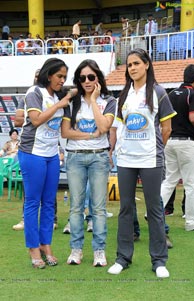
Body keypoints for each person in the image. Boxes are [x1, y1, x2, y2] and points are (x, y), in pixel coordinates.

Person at [107, 48, 176, 277]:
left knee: (154, 208)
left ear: (146, 64)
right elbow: (118, 127)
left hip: (150, 159)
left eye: (136, 63)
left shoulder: (159, 92)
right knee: (126, 208)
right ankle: (122, 258)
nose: (132, 68)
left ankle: (159, 261)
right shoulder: (123, 95)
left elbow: (166, 129)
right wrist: (115, 149)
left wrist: (154, 149)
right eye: (129, 65)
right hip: (126, 159)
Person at [17, 58, 77, 269]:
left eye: (64, 77)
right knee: (33, 202)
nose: (62, 80)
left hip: (52, 154)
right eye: (59, 76)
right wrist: (61, 104)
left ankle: (46, 245)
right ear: (49, 74)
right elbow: (35, 120)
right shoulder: (35, 92)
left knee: (49, 203)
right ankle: (33, 248)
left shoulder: (59, 95)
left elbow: (64, 128)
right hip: (32, 153)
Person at [61, 59, 116, 267]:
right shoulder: (72, 101)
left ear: (98, 78)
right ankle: (76, 250)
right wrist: (88, 135)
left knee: (99, 208)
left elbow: (103, 127)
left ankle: (99, 251)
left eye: (91, 77)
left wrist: (93, 101)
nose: (87, 81)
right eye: (82, 78)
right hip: (75, 157)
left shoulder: (108, 100)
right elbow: (66, 132)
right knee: (76, 207)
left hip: (99, 156)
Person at [161, 64, 194, 231]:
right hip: (186, 142)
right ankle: (191, 223)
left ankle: (153, 212)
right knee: (192, 184)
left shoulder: (170, 94)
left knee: (170, 180)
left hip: (170, 141)